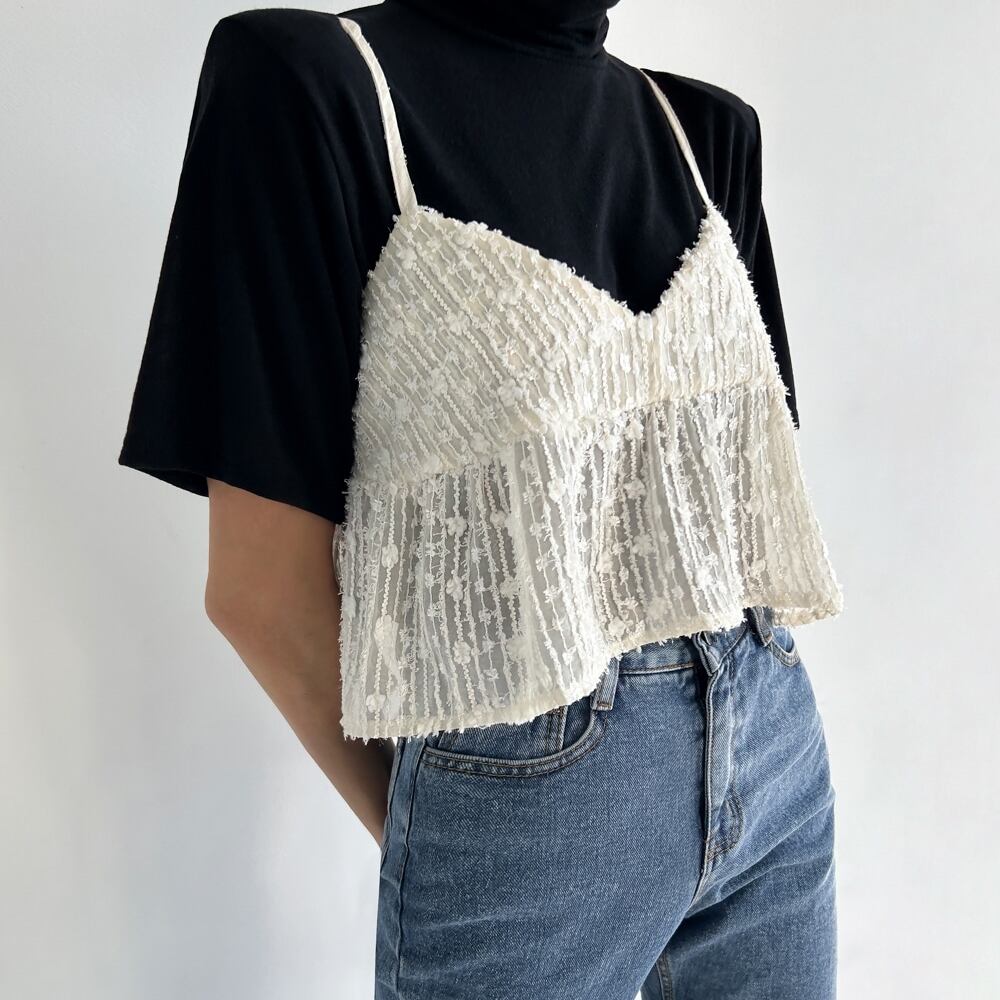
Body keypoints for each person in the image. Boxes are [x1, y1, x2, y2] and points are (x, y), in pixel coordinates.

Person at [118, 2, 844, 996]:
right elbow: (258, 589)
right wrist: (459, 828)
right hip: (529, 789)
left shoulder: (708, 134)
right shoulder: (314, 81)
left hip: (772, 752)